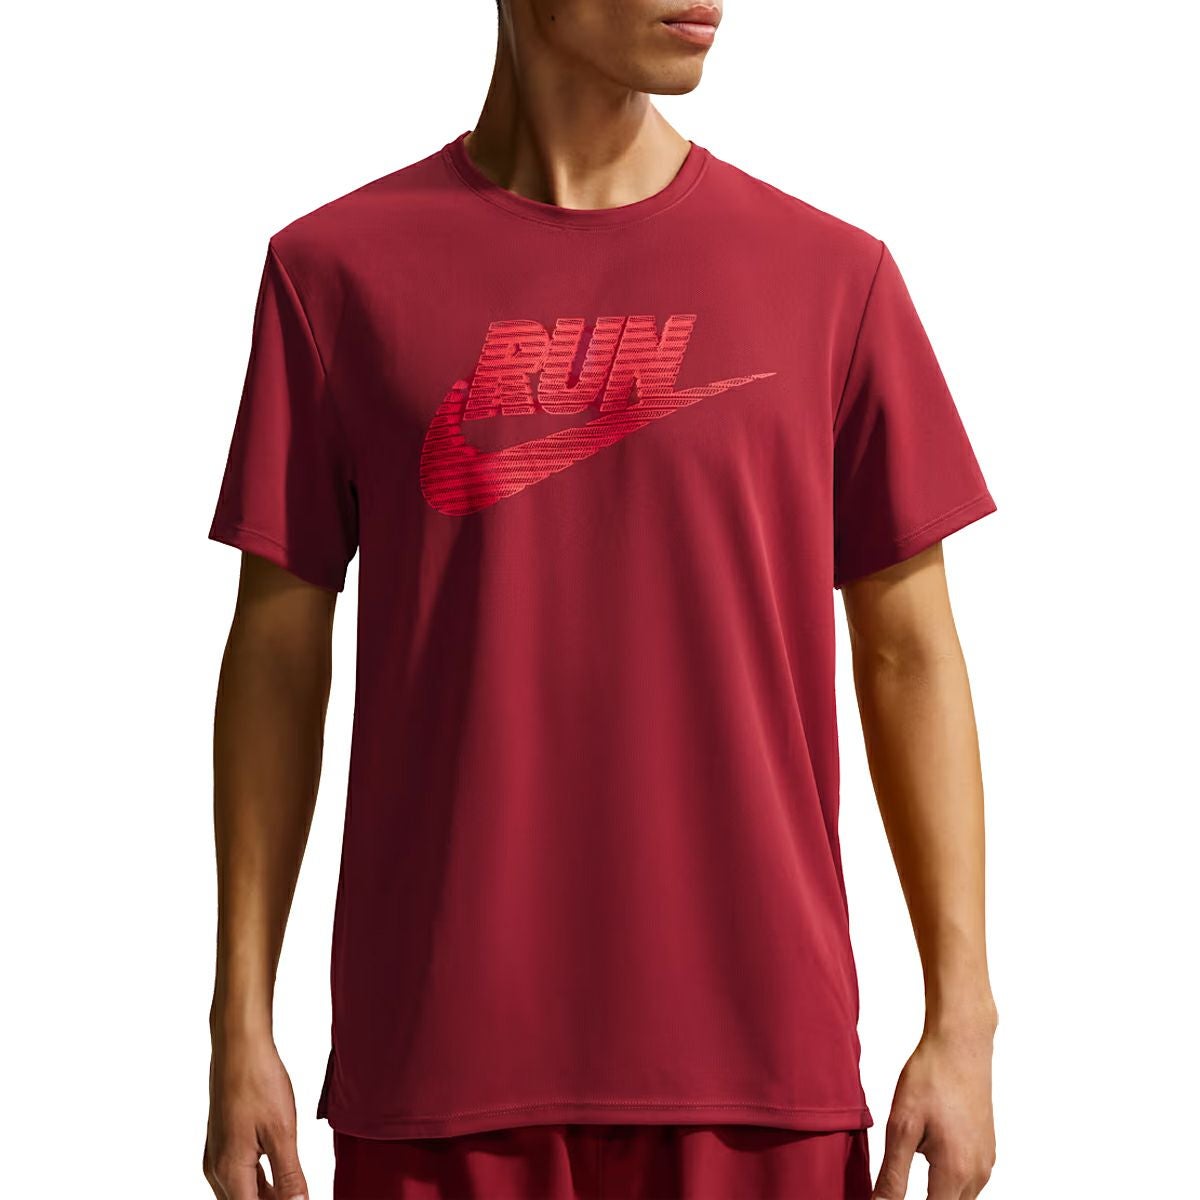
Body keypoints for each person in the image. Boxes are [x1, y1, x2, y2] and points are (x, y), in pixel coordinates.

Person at [202, 1, 999, 1197]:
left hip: (759, 1078)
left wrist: (963, 1021)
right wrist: (239, 1019)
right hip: (438, 1073)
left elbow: (911, 656)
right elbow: (276, 653)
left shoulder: (834, 280)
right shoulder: (335, 274)